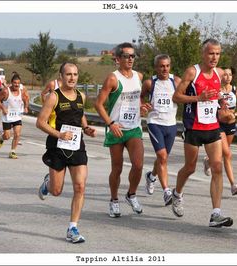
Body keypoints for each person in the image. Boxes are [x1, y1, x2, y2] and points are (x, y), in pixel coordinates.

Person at [172, 39, 233, 227]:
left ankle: (216, 214)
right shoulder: (193, 72)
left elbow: (218, 94)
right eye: (211, 53)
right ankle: (177, 193)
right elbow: (176, 96)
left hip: (213, 127)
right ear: (203, 54)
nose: (214, 57)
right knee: (189, 167)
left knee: (217, 167)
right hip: (194, 127)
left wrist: (222, 105)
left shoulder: (220, 73)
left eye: (217, 54)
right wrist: (199, 98)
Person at [36, 62, 97, 244]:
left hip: (77, 145)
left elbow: (79, 114)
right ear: (61, 76)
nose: (72, 78)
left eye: (75, 74)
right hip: (57, 146)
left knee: (80, 186)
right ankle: (48, 183)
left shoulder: (81, 96)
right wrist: (60, 134)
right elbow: (40, 122)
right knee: (56, 191)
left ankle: (72, 227)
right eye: (68, 74)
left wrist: (86, 128)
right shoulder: (54, 97)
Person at [95, 42, 151, 218]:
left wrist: (142, 106)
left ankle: (131, 194)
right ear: (118, 59)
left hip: (134, 128)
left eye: (133, 56)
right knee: (117, 168)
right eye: (127, 56)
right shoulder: (113, 78)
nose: (130, 59)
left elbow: (137, 98)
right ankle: (113, 200)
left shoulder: (139, 76)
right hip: (117, 129)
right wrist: (111, 124)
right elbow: (98, 104)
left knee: (139, 164)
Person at [141, 54, 181, 206]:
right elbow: (141, 97)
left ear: (170, 66)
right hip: (155, 123)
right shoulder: (150, 83)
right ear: (156, 67)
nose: (164, 69)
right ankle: (166, 192)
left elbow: (184, 95)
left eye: (167, 66)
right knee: (162, 156)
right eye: (161, 66)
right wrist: (144, 106)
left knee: (163, 159)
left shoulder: (176, 81)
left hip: (171, 124)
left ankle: (151, 176)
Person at [203, 67, 237, 195]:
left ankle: (208, 161)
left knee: (224, 152)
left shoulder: (236, 90)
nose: (227, 77)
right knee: (228, 154)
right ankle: (233, 185)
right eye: (225, 75)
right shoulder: (216, 90)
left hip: (231, 125)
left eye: (230, 75)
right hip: (219, 125)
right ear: (221, 77)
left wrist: (236, 115)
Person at [0, 74, 29, 159]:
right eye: (15, 83)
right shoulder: (6, 91)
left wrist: (25, 107)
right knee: (7, 136)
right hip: (7, 117)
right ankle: (2, 138)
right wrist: (3, 108)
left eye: (18, 83)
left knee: (17, 134)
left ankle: (13, 151)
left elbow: (26, 99)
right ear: (11, 83)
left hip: (17, 116)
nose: (16, 85)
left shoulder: (22, 91)